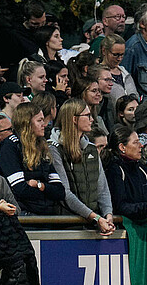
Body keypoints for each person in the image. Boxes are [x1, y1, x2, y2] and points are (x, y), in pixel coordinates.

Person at [49, 98, 115, 234]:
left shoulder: (91, 149)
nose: (92, 119)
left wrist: (108, 216)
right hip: (67, 226)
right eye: (87, 115)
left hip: (93, 224)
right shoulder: (54, 149)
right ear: (74, 119)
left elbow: (102, 189)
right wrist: (95, 217)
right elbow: (65, 193)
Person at [0, 102, 65, 215]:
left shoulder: (42, 147)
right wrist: (47, 191)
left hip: (48, 213)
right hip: (24, 214)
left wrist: (40, 185)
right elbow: (19, 189)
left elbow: (60, 191)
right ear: (26, 123)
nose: (44, 124)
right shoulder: (10, 146)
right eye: (39, 121)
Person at [105, 124, 147, 223]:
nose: (141, 145)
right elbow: (120, 206)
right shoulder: (114, 170)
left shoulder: (143, 170)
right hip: (123, 229)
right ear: (122, 147)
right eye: (135, 142)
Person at [100, 34, 138, 102]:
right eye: (115, 55)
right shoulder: (97, 73)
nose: (119, 59)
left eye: (122, 54)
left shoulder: (125, 72)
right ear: (104, 51)